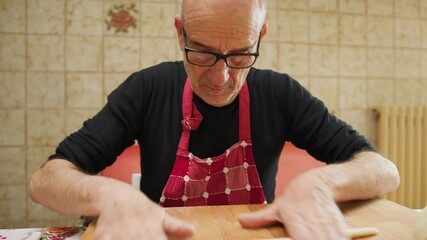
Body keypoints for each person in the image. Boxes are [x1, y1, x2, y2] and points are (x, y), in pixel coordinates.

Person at [29, 0, 400, 239]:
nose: (220, 78)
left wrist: (322, 185)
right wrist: (108, 194)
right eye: (202, 54)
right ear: (180, 33)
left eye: (240, 56)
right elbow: (45, 180)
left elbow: (383, 170)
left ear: (261, 36)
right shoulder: (148, 88)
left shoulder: (280, 93)